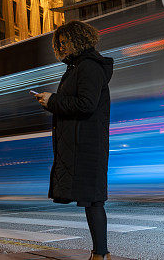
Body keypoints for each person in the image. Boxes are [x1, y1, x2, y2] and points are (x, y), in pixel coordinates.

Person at [35, 20, 114, 260]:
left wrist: (53, 101)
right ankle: (99, 253)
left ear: (79, 40)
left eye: (65, 41)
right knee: (91, 200)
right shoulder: (77, 67)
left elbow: (86, 104)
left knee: (94, 201)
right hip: (82, 143)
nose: (61, 47)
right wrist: (52, 102)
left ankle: (101, 254)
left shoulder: (88, 67)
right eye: (59, 43)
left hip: (88, 145)